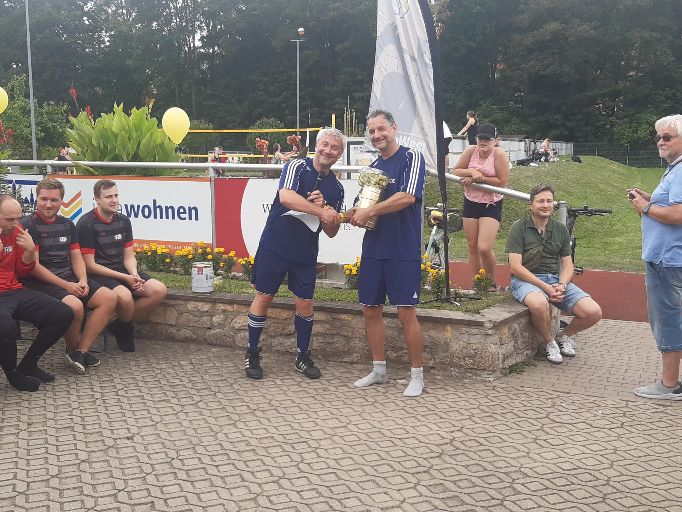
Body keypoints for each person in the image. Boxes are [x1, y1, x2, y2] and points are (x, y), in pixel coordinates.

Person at [244, 128, 345, 380]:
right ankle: (252, 353)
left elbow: (332, 231)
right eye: (324, 144)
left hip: (305, 252)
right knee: (264, 296)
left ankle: (302, 356)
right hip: (276, 244)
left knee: (305, 303)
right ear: (316, 145)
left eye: (334, 148)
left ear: (340, 154)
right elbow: (286, 197)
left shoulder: (337, 187)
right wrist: (319, 210)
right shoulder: (297, 166)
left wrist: (326, 209)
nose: (328, 151)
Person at [349, 110, 426, 397]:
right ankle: (379, 370)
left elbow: (407, 196)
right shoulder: (372, 167)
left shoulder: (411, 157)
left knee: (406, 312)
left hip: (402, 249)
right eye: (371, 131)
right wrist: (331, 213)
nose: (376, 135)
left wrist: (370, 211)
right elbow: (360, 208)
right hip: (373, 248)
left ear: (394, 128)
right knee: (370, 309)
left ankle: (417, 375)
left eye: (381, 129)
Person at [20, 178, 118, 374]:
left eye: (54, 200)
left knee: (109, 298)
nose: (49, 204)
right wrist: (66, 286)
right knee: (74, 306)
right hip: (40, 282)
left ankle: (81, 351)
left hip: (69, 278)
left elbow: (76, 256)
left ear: (62, 201)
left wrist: (82, 280)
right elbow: (34, 266)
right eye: (44, 199)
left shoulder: (68, 224)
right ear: (37, 199)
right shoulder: (28, 225)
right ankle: (72, 350)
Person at [506, 184, 602, 364]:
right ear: (531, 205)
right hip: (525, 281)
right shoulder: (518, 227)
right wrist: (546, 288)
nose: (545, 205)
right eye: (540, 201)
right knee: (539, 303)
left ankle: (563, 336)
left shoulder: (560, 229)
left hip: (555, 280)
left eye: (549, 201)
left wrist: (562, 285)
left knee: (593, 312)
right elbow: (515, 267)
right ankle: (549, 342)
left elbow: (568, 265)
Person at [76, 180, 167, 352]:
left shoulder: (124, 220)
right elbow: (89, 265)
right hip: (99, 273)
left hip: (122, 269)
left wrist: (133, 273)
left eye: (116, 195)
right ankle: (124, 328)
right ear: (97, 199)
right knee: (125, 297)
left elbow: (129, 256)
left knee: (159, 290)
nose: (114, 200)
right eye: (108, 197)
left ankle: (119, 324)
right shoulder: (86, 224)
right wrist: (126, 277)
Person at [629, 114, 682, 400]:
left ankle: (669, 385)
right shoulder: (675, 169)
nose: (660, 142)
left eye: (667, 137)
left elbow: (678, 214)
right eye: (659, 137)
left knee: (667, 320)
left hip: (667, 260)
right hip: (669, 258)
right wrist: (649, 198)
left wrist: (645, 207)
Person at [0, 194, 74, 392]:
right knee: (6, 327)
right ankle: (13, 375)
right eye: (10, 219)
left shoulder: (16, 232)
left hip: (14, 289)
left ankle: (29, 363)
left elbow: (22, 270)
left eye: (18, 218)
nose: (16, 224)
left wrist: (30, 252)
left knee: (63, 313)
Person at [452, 123, 510, 289]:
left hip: (491, 204)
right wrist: (472, 172)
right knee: (472, 246)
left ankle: (489, 282)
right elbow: (457, 170)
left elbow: (502, 181)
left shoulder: (498, 154)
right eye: (480, 138)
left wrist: (481, 178)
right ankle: (478, 283)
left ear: (495, 141)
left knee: (484, 247)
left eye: (487, 139)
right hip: (471, 201)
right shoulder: (471, 150)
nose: (483, 141)